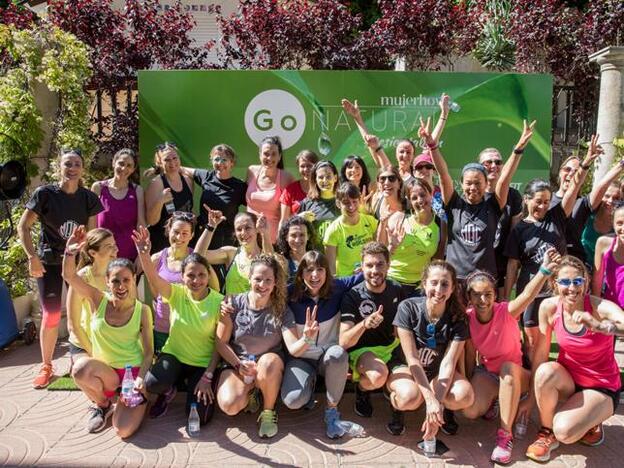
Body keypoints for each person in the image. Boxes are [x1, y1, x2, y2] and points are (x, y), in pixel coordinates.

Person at [462, 248, 561, 464]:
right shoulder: (468, 318)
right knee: (470, 409)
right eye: (476, 294)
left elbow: (527, 295)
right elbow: (470, 354)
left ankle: (505, 436)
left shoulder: (505, 312)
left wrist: (544, 270)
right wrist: (470, 384)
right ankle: (495, 400)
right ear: (469, 296)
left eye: (487, 294)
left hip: (518, 375)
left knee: (507, 369)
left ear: (494, 295)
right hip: (490, 374)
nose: (482, 299)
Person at [18, 148, 103, 389]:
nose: (72, 168)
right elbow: (24, 227)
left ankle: (94, 359)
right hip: (49, 262)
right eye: (68, 163)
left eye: (77, 163)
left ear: (82, 169)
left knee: (89, 308)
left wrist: (89, 264)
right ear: (59, 166)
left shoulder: (88, 198)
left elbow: (91, 235)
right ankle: (47, 366)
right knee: (52, 314)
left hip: (76, 263)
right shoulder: (44, 194)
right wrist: (32, 256)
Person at [526, 256, 624, 462]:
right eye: (565, 282)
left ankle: (592, 419)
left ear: (586, 282)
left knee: (565, 431)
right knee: (545, 371)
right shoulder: (549, 307)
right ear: (555, 284)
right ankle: (546, 434)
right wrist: (530, 397)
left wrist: (599, 327)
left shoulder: (600, 308)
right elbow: (542, 354)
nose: (572, 288)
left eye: (577, 281)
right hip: (569, 381)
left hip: (602, 387)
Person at [62, 226, 153, 437]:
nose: (121, 286)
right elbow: (69, 275)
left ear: (133, 281)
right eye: (115, 281)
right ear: (107, 282)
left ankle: (136, 401)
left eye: (126, 280)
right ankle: (103, 404)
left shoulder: (143, 311)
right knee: (80, 369)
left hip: (132, 374)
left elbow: (148, 352)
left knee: (122, 430)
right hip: (107, 372)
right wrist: (70, 253)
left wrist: (141, 378)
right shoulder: (97, 299)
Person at [133, 226, 224, 426]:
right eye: (190, 275)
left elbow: (220, 344)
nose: (196, 280)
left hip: (201, 364)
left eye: (201, 275)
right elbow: (154, 279)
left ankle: (195, 385)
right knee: (152, 383)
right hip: (174, 356)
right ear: (182, 277)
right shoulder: (176, 293)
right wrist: (144, 253)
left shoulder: (218, 302)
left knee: (200, 418)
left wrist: (208, 376)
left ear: (208, 276)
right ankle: (170, 387)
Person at [427, 117, 535, 281]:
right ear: (461, 184)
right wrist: (432, 146)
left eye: (478, 183)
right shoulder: (454, 204)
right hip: (455, 280)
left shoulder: (493, 205)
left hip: (484, 281)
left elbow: (505, 178)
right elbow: (443, 174)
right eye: (469, 183)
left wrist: (518, 149)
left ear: (486, 184)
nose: (473, 188)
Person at [388, 260, 474, 441]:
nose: (439, 289)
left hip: (437, 371)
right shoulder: (408, 308)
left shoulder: (458, 318)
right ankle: (397, 408)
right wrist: (429, 399)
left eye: (445, 284)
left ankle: (444, 411)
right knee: (410, 398)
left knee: (464, 395)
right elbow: (412, 359)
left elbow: (449, 362)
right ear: (424, 284)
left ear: (452, 289)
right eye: (434, 283)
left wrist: (439, 403)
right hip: (407, 368)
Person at [215, 254, 298, 438]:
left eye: (268, 280)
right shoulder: (232, 304)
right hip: (239, 363)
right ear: (249, 278)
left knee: (268, 364)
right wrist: (238, 365)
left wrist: (306, 338)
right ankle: (253, 393)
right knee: (230, 406)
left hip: (267, 366)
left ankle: (268, 412)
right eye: (258, 279)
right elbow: (220, 342)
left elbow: (293, 345)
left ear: (276, 282)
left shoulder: (281, 309)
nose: (263, 284)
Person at [281, 250, 362, 438]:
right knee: (292, 401)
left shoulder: (337, 287)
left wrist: (390, 248)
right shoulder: (290, 293)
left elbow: (368, 273)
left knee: (338, 354)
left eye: (320, 269)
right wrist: (230, 303)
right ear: (301, 273)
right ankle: (309, 388)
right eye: (309, 270)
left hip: (328, 357)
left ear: (327, 272)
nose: (315, 275)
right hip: (300, 357)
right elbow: (262, 295)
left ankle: (332, 411)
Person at [503, 176, 585, 360]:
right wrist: (507, 297)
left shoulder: (556, 217)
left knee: (566, 337)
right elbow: (512, 265)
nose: (542, 206)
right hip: (531, 292)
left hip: (558, 290)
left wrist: (585, 165)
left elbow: (573, 189)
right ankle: (532, 381)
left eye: (547, 202)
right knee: (532, 343)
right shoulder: (519, 230)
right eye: (538, 201)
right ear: (526, 199)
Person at [339, 243, 405, 427]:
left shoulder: (397, 289)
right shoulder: (352, 296)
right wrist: (364, 324)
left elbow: (402, 328)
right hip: (363, 351)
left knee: (409, 391)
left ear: (388, 265)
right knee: (377, 376)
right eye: (369, 265)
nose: (375, 270)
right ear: (361, 266)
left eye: (380, 264)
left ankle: (393, 395)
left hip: (391, 347)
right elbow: (343, 341)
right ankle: (362, 389)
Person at [148, 210, 220, 353]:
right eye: (175, 232)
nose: (179, 237)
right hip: (163, 328)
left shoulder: (197, 261)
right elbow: (155, 292)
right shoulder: (156, 259)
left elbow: (215, 289)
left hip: (190, 329)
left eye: (185, 233)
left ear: (192, 236)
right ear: (169, 231)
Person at [341, 94, 450, 183]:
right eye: (401, 151)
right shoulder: (390, 172)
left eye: (408, 152)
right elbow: (371, 145)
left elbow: (432, 142)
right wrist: (357, 118)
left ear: (413, 155)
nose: (405, 155)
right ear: (396, 154)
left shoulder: (418, 171)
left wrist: (443, 114)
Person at [550, 140, 623, 264]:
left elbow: (603, 185)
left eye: (577, 171)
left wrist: (622, 163)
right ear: (560, 172)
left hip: (575, 265)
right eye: (567, 169)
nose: (571, 173)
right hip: (547, 263)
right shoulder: (546, 201)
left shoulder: (582, 203)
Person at [381, 178, 446, 298]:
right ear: (409, 201)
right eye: (414, 198)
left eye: (423, 195)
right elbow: (380, 254)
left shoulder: (441, 224)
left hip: (419, 287)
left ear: (431, 195)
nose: (420, 200)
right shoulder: (399, 219)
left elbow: (437, 260)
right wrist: (392, 246)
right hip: (392, 282)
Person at [181, 144, 247, 252]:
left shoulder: (239, 186)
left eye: (224, 160)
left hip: (225, 242)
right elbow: (181, 169)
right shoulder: (206, 177)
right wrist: (160, 167)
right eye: (216, 159)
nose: (220, 163)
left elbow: (254, 206)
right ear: (211, 161)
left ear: (232, 163)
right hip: (202, 236)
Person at [67, 228, 118, 365]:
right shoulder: (83, 277)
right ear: (92, 253)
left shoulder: (119, 273)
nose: (115, 250)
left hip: (111, 341)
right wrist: (94, 353)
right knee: (87, 369)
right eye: (109, 247)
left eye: (115, 245)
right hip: (85, 343)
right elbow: (73, 325)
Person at [478, 147, 523, 296]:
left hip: (502, 268)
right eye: (488, 162)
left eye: (498, 162)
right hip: (477, 267)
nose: (493, 166)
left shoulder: (514, 196)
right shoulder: (473, 196)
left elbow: (514, 236)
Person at [195, 211, 273, 295]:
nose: (243, 233)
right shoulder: (231, 253)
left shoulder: (265, 255)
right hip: (229, 307)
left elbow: (273, 265)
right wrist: (211, 226)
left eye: (248, 228)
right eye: (239, 229)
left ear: (256, 229)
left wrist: (265, 233)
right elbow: (197, 256)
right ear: (235, 233)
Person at [91, 148, 145, 261]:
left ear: (133, 169)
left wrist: (141, 256)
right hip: (102, 256)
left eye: (129, 165)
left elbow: (141, 225)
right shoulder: (98, 188)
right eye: (121, 163)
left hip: (129, 256)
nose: (124, 168)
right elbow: (92, 226)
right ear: (113, 163)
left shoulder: (137, 191)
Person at [145, 142, 194, 253]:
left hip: (184, 242)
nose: (172, 162)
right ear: (159, 163)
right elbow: (151, 221)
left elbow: (188, 208)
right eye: (167, 160)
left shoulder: (188, 180)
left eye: (175, 158)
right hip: (162, 244)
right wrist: (160, 200)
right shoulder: (156, 184)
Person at [246, 136, 294, 244]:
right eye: (266, 153)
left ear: (279, 157)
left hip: (272, 241)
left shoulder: (287, 177)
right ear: (260, 154)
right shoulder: (251, 171)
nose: (269, 158)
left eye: (274, 154)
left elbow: (290, 212)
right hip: (248, 239)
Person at [324, 183, 378, 277]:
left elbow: (379, 253)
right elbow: (331, 269)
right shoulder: (333, 230)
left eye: (354, 201)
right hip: (346, 282)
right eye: (346, 202)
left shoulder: (371, 222)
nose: (351, 207)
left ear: (359, 201)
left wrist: (366, 267)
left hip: (370, 276)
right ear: (338, 204)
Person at [583, 180, 622, 269]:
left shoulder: (620, 226)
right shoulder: (587, 215)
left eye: (616, 198)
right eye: (607, 196)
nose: (610, 201)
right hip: (582, 267)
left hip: (605, 273)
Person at [298, 160, 340, 240]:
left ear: (335, 178)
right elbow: (294, 228)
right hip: (316, 252)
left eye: (328, 176)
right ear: (315, 180)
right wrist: (299, 218)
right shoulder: (307, 203)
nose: (325, 180)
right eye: (321, 177)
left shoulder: (343, 201)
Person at [279, 149, 319, 231]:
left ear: (316, 167)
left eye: (309, 166)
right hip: (297, 239)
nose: (305, 169)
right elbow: (283, 221)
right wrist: (298, 217)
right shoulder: (290, 190)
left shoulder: (323, 189)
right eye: (302, 166)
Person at [593, 205, 624, 307]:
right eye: (620, 223)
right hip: (612, 311)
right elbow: (597, 280)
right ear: (613, 224)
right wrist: (596, 309)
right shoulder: (603, 243)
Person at [275, 216, 319, 282]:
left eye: (302, 235)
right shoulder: (282, 261)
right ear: (286, 237)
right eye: (293, 235)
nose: (297, 240)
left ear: (308, 236)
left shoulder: (317, 259)